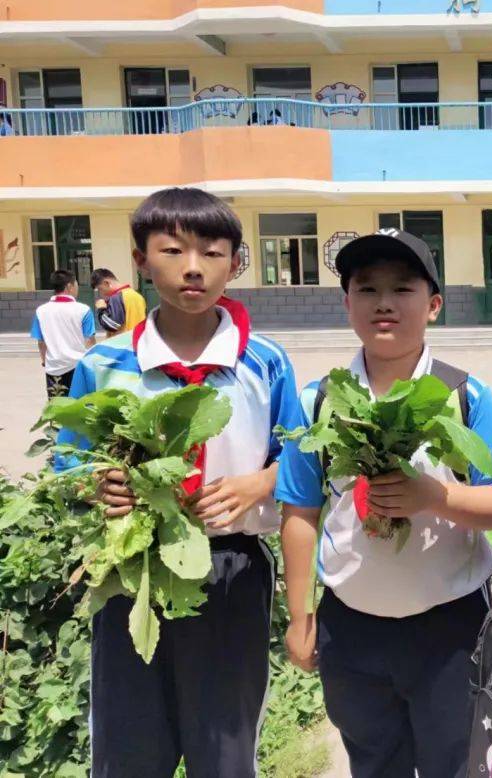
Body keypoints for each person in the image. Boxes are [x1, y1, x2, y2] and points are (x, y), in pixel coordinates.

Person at [57, 187, 300, 778]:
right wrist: (98, 486)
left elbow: (300, 456)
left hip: (231, 567)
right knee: (129, 741)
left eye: (213, 253)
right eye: (172, 251)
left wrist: (261, 483)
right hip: (129, 571)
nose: (193, 268)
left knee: (225, 742)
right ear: (140, 262)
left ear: (235, 262)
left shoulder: (264, 361)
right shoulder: (104, 365)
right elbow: (69, 466)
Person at [275, 228, 492, 778]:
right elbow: (298, 512)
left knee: (454, 763)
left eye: (403, 288)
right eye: (366, 289)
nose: (384, 302)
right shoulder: (318, 399)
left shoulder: (465, 395)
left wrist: (433, 496)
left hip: (450, 631)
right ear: (347, 304)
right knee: (373, 761)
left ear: (433, 305)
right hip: (351, 627)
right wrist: (300, 615)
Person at [29, 269, 95, 396]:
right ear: (69, 286)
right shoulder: (83, 310)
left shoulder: (41, 311)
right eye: (76, 284)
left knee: (57, 409)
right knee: (81, 408)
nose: (77, 287)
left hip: (54, 369)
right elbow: (90, 341)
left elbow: (41, 342)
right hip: (78, 368)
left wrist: (44, 361)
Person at [91, 267, 147, 336]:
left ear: (106, 283)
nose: (100, 293)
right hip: (137, 340)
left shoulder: (116, 298)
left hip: (122, 343)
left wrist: (101, 309)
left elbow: (112, 325)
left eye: (100, 289)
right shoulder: (137, 296)